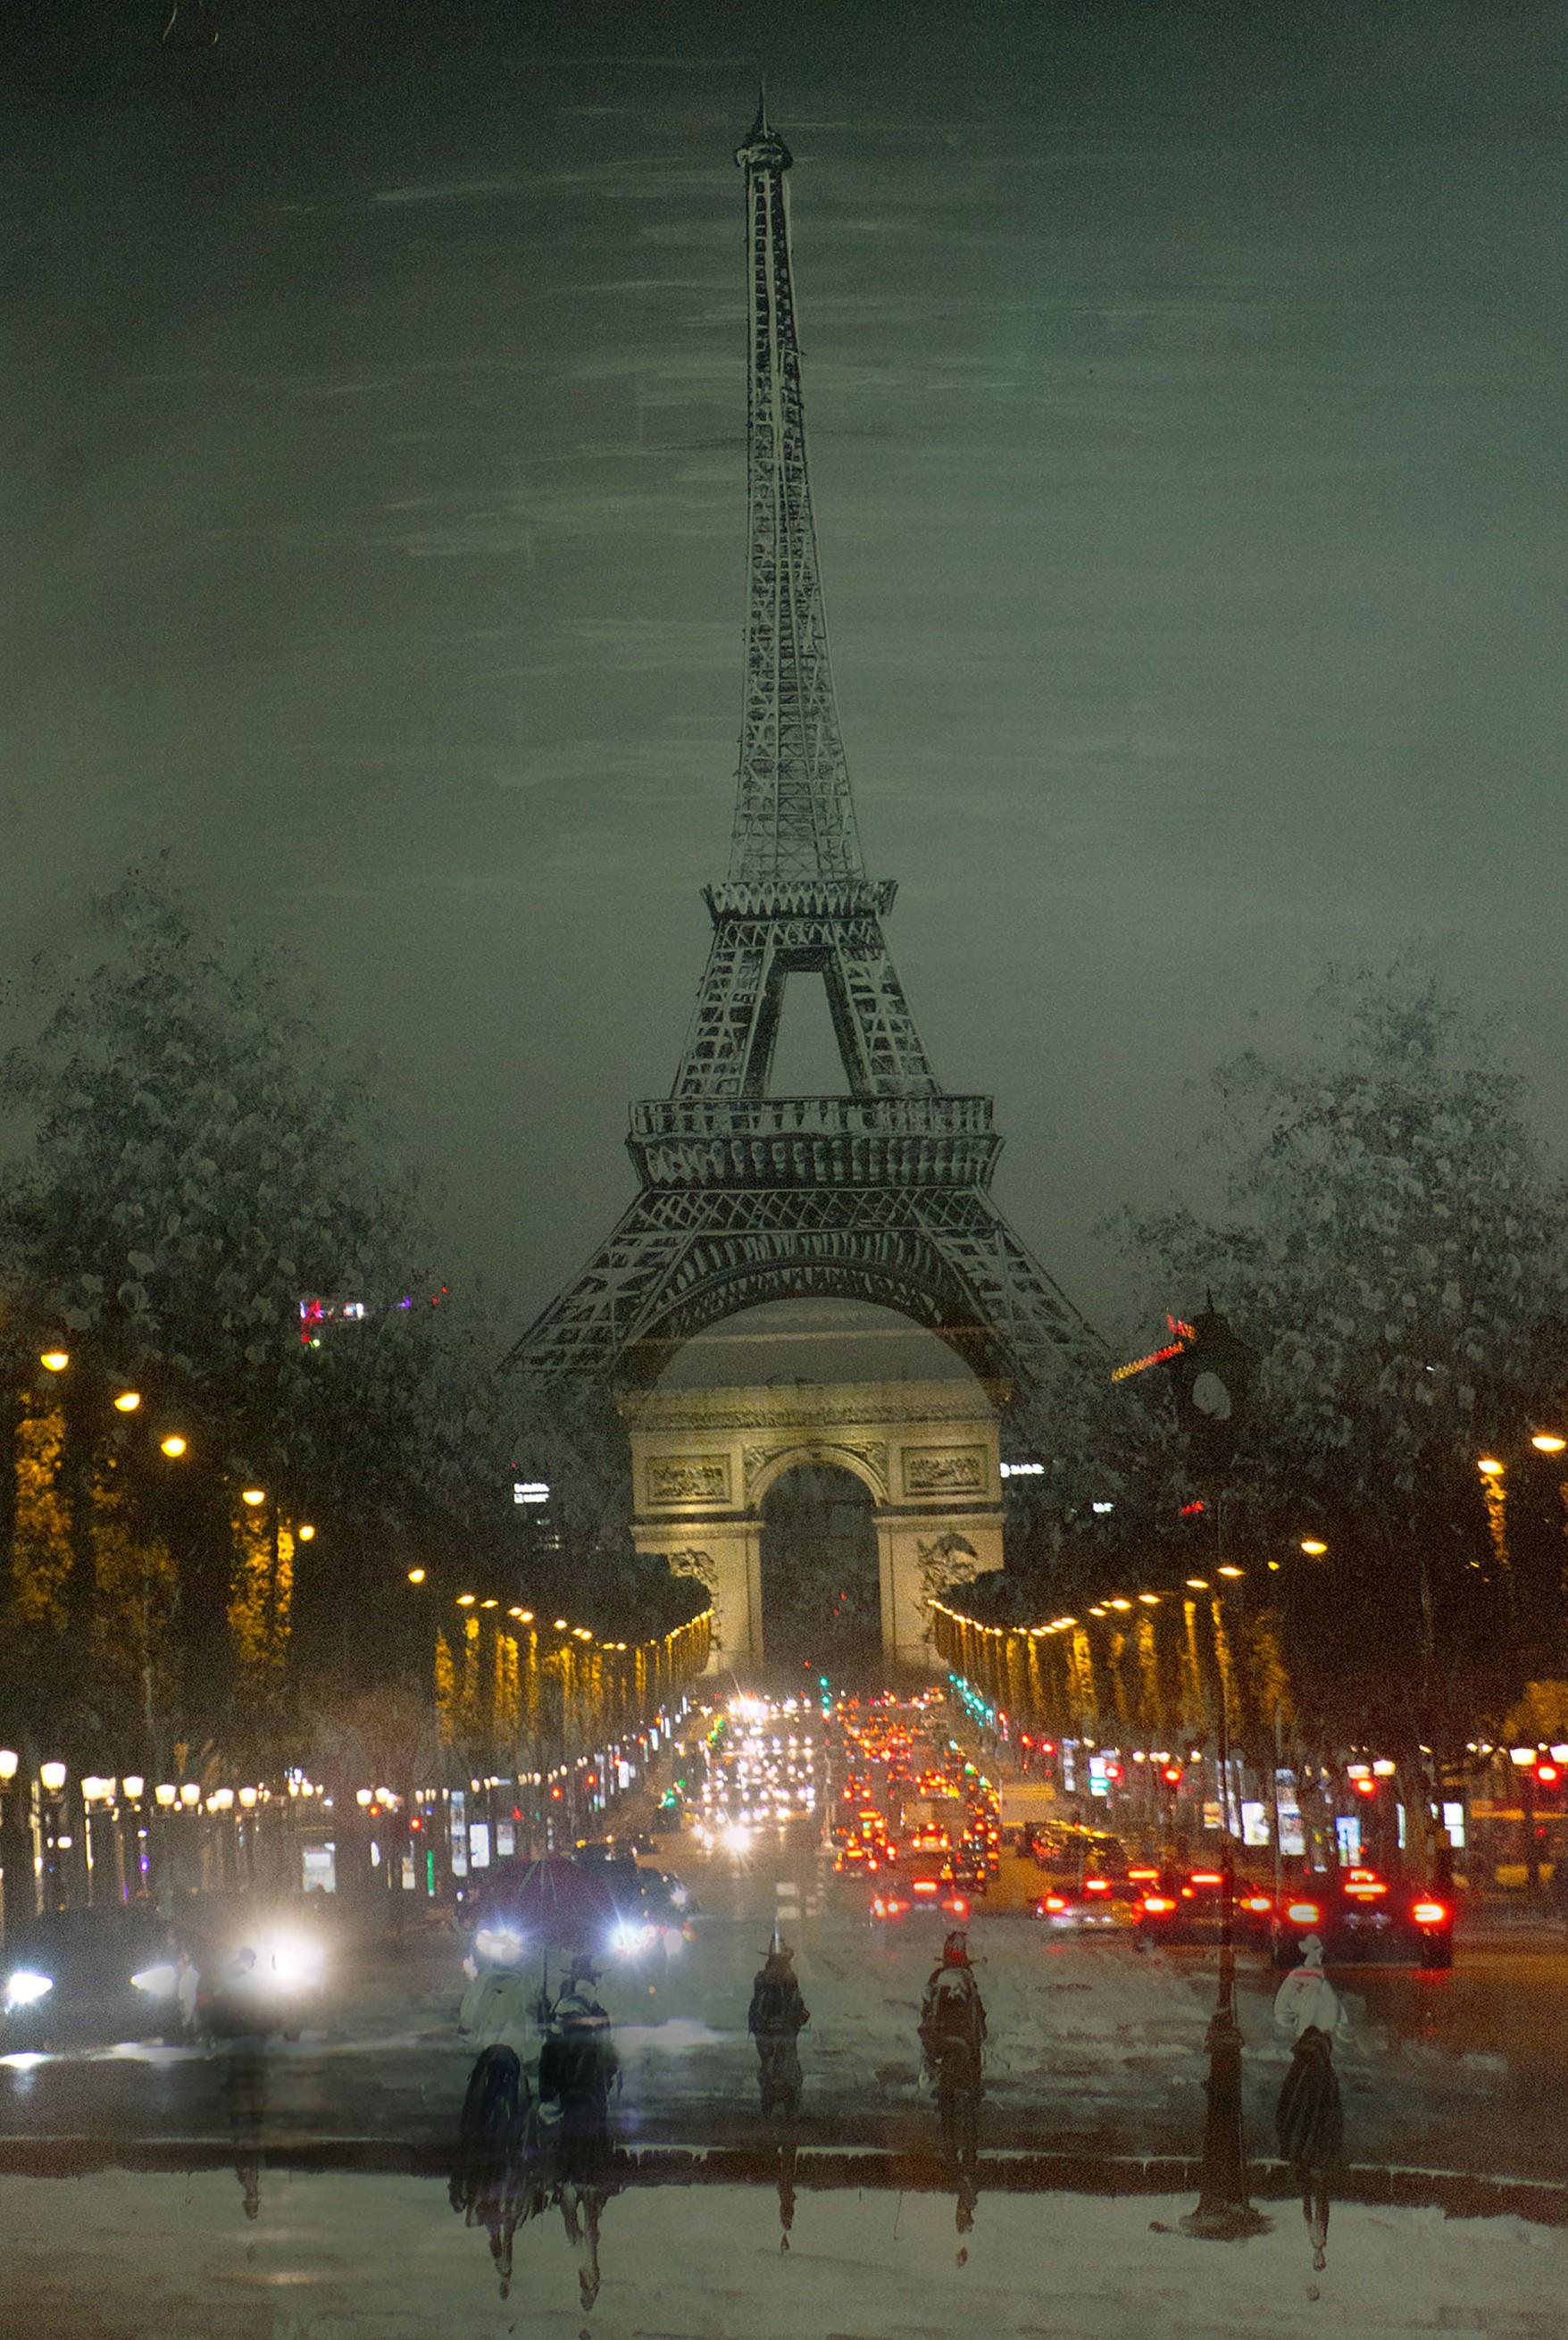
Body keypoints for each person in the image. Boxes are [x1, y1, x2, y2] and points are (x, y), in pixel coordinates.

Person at [538, 1992, 621, 2311]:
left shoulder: (555, 2046)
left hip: (571, 2125)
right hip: (595, 2123)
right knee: (589, 2190)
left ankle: (582, 2251)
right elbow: (611, 2070)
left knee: (568, 2189)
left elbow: (547, 2091)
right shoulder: (599, 2044)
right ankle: (590, 2259)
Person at [1273, 1936, 1345, 2271]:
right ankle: (1319, 2151)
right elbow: (1341, 2027)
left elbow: (1281, 2014)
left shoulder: (1295, 1981)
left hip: (1305, 2053)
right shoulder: (1326, 1989)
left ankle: (1302, 2149)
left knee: (1297, 2106)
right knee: (1321, 2110)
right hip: (1319, 2056)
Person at [449, 2044, 541, 2299]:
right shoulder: (502, 2105)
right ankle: (505, 2267)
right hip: (500, 2175)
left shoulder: (496, 2105)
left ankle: (506, 2269)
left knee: (502, 2227)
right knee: (499, 2227)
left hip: (501, 2175)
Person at [747, 1934, 810, 2119]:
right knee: (782, 2063)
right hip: (779, 2030)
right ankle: (783, 2096)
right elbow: (797, 2005)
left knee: (772, 2062)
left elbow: (795, 2005)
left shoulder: (763, 1979)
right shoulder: (784, 1979)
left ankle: (773, 2094)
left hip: (772, 2030)